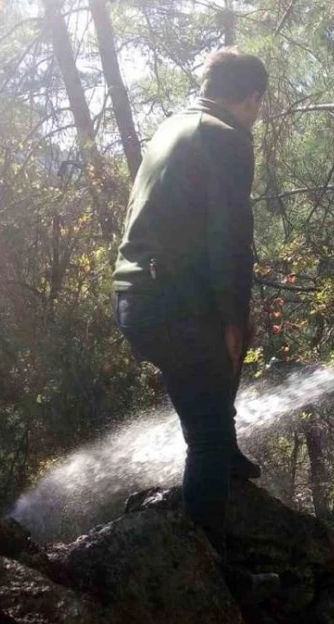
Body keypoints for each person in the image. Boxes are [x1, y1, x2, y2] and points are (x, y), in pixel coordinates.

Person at [111, 48, 266, 560]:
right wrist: (232, 320)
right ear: (249, 98)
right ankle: (207, 566)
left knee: (212, 397)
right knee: (207, 440)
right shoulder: (225, 139)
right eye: (259, 104)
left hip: (137, 296)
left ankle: (228, 449)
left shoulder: (174, 127)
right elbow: (230, 240)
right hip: (170, 303)